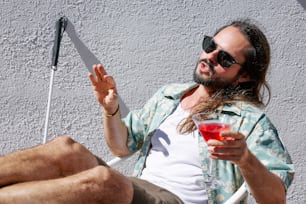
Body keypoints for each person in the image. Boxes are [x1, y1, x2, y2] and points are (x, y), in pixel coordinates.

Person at [0, 19, 294, 204]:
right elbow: (122, 145)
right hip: (139, 188)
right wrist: (111, 109)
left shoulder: (250, 120)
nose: (209, 57)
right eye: (209, 46)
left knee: (106, 182)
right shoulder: (170, 95)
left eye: (224, 57)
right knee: (64, 148)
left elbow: (276, 198)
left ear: (243, 76)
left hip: (176, 200)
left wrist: (245, 158)